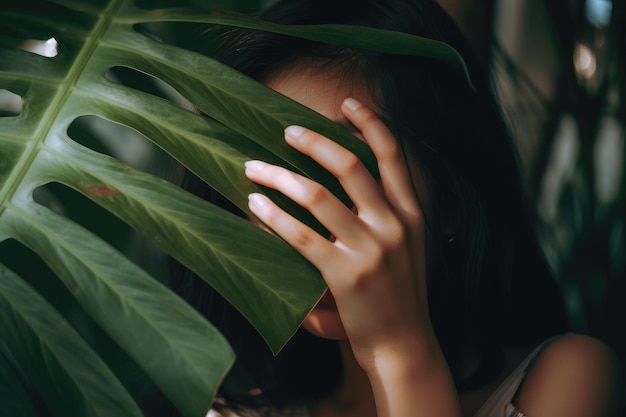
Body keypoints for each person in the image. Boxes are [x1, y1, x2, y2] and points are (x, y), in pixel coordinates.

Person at [171, 0, 624, 416]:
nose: (311, 222)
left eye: (347, 176)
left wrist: (397, 349)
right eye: (275, 182)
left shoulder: (566, 380)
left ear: (450, 198)